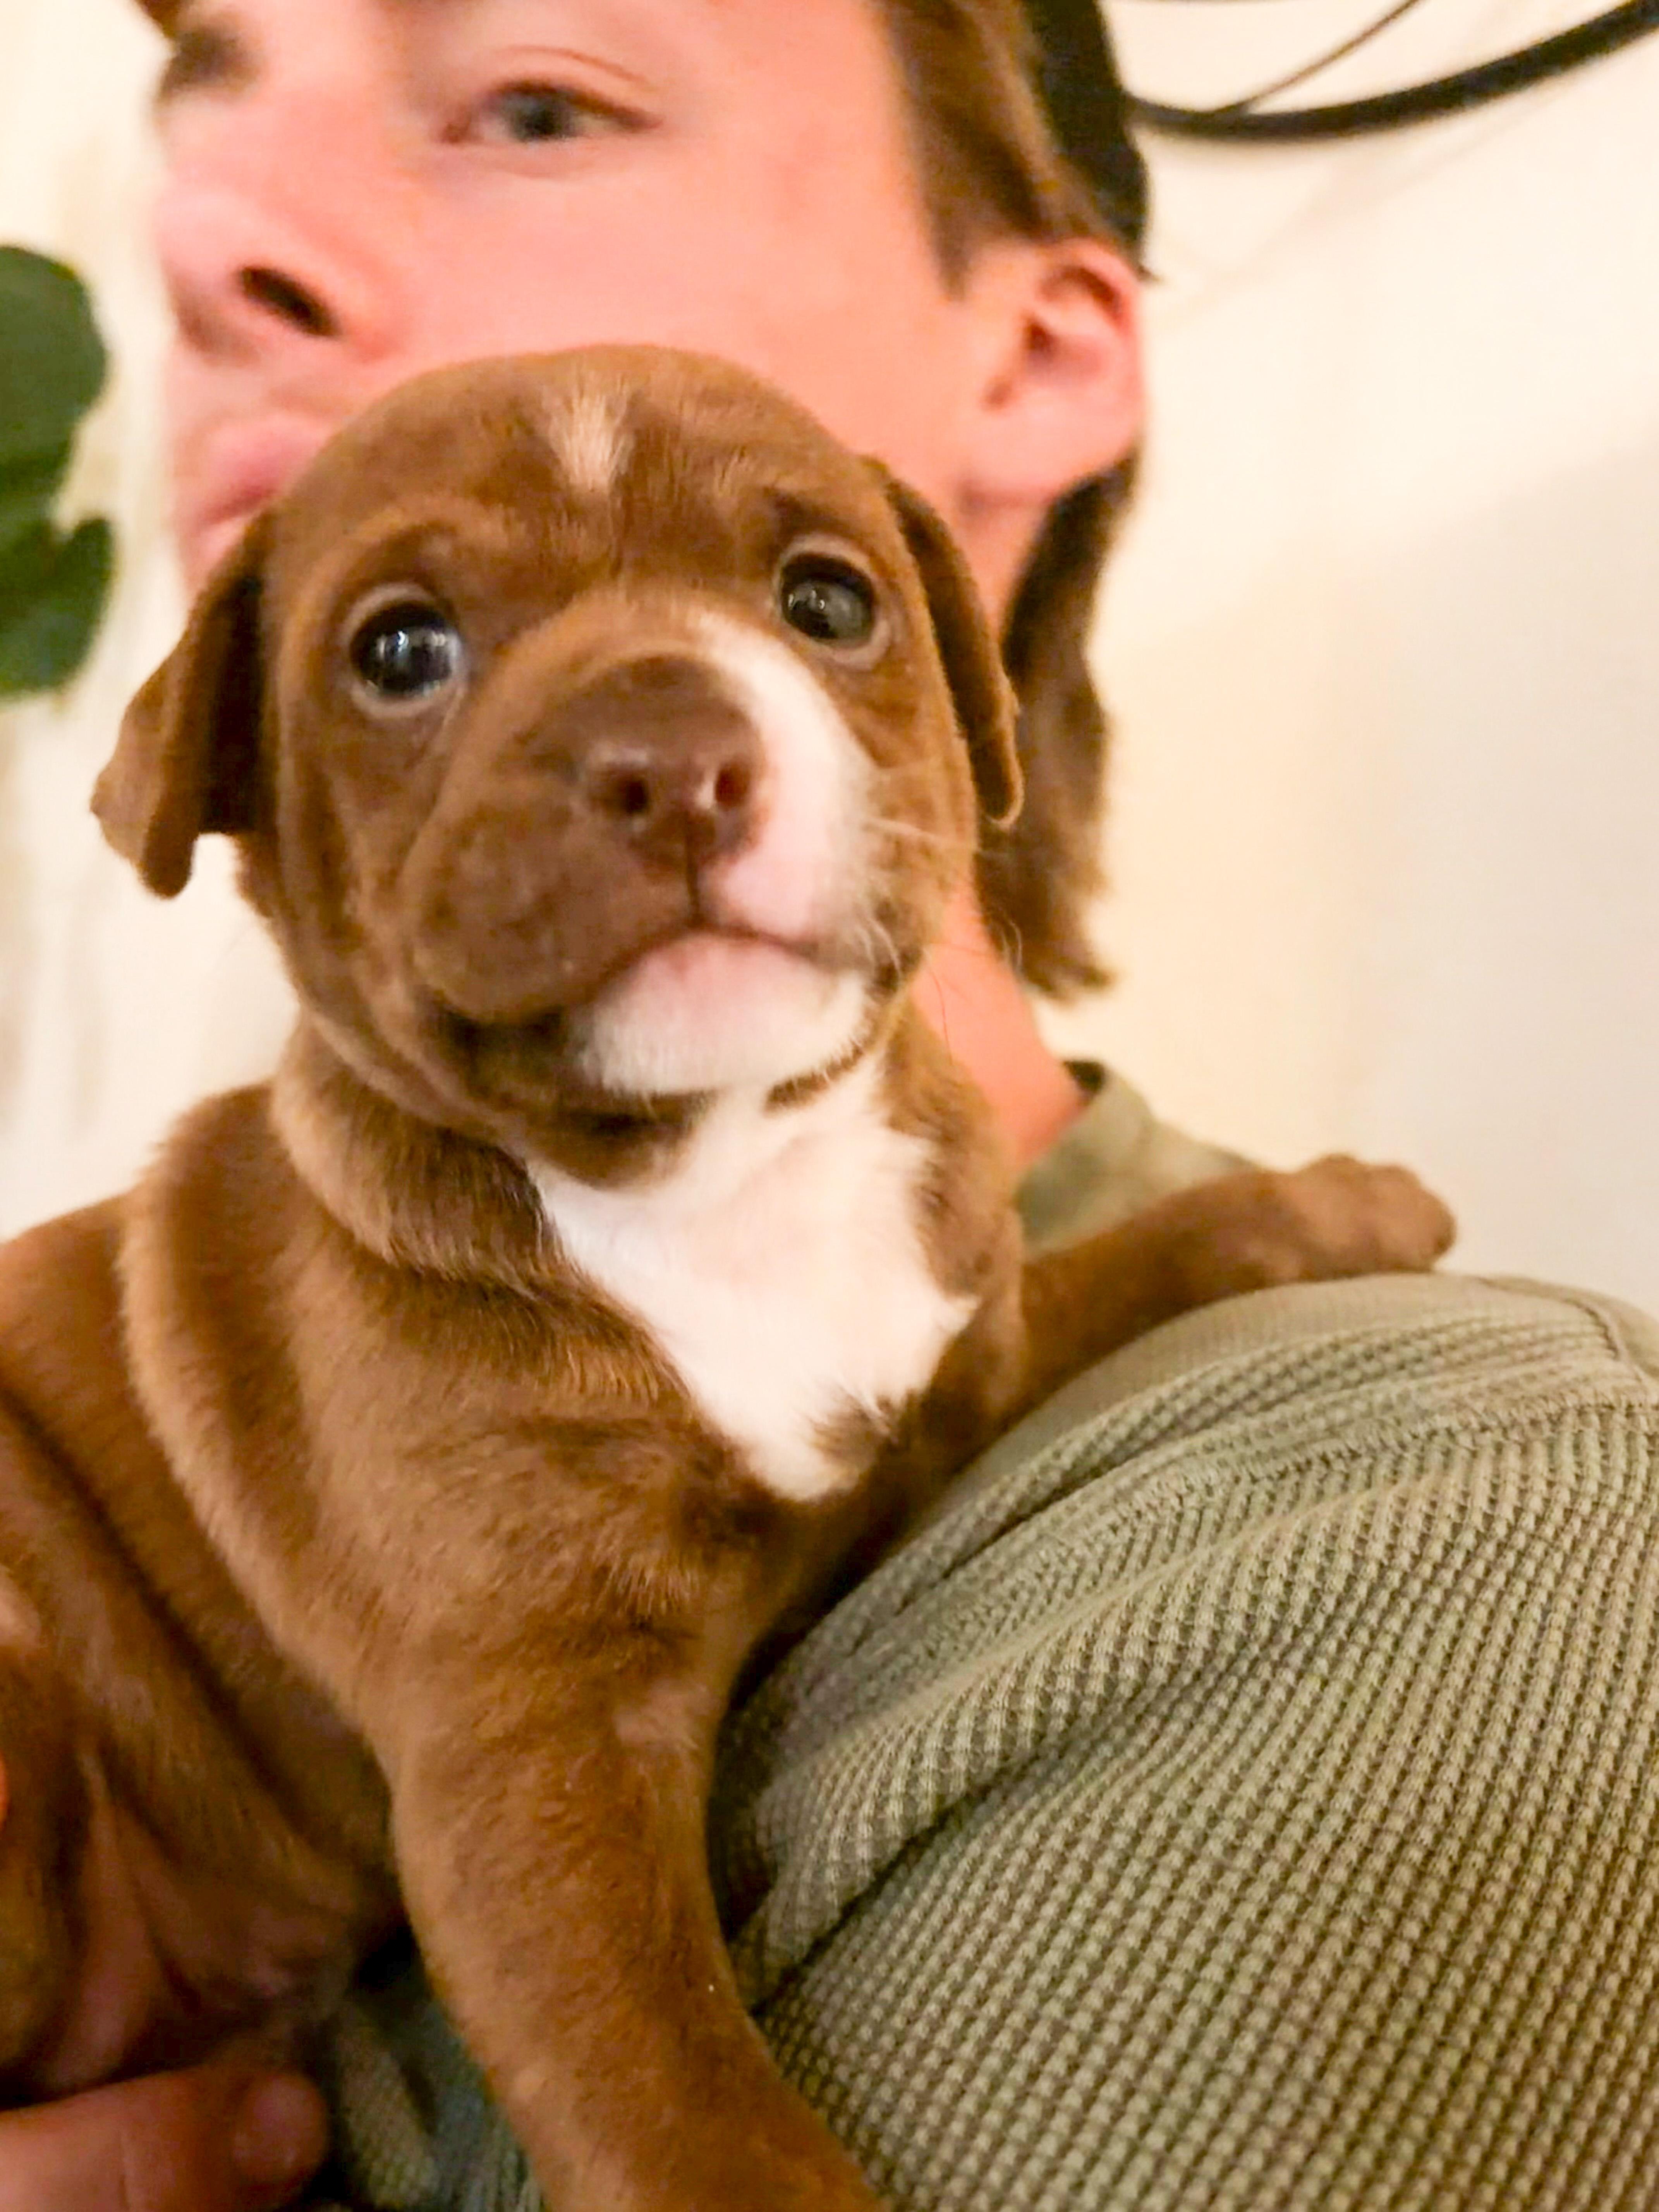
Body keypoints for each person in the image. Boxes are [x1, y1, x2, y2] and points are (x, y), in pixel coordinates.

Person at [9, 2, 1659, 2207]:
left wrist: (1208, 1260)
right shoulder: (360, 1288)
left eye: (534, 102)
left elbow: (893, 1401)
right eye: (406, 653)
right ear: (232, 780)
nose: (237, 247)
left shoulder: (1446, 1537)